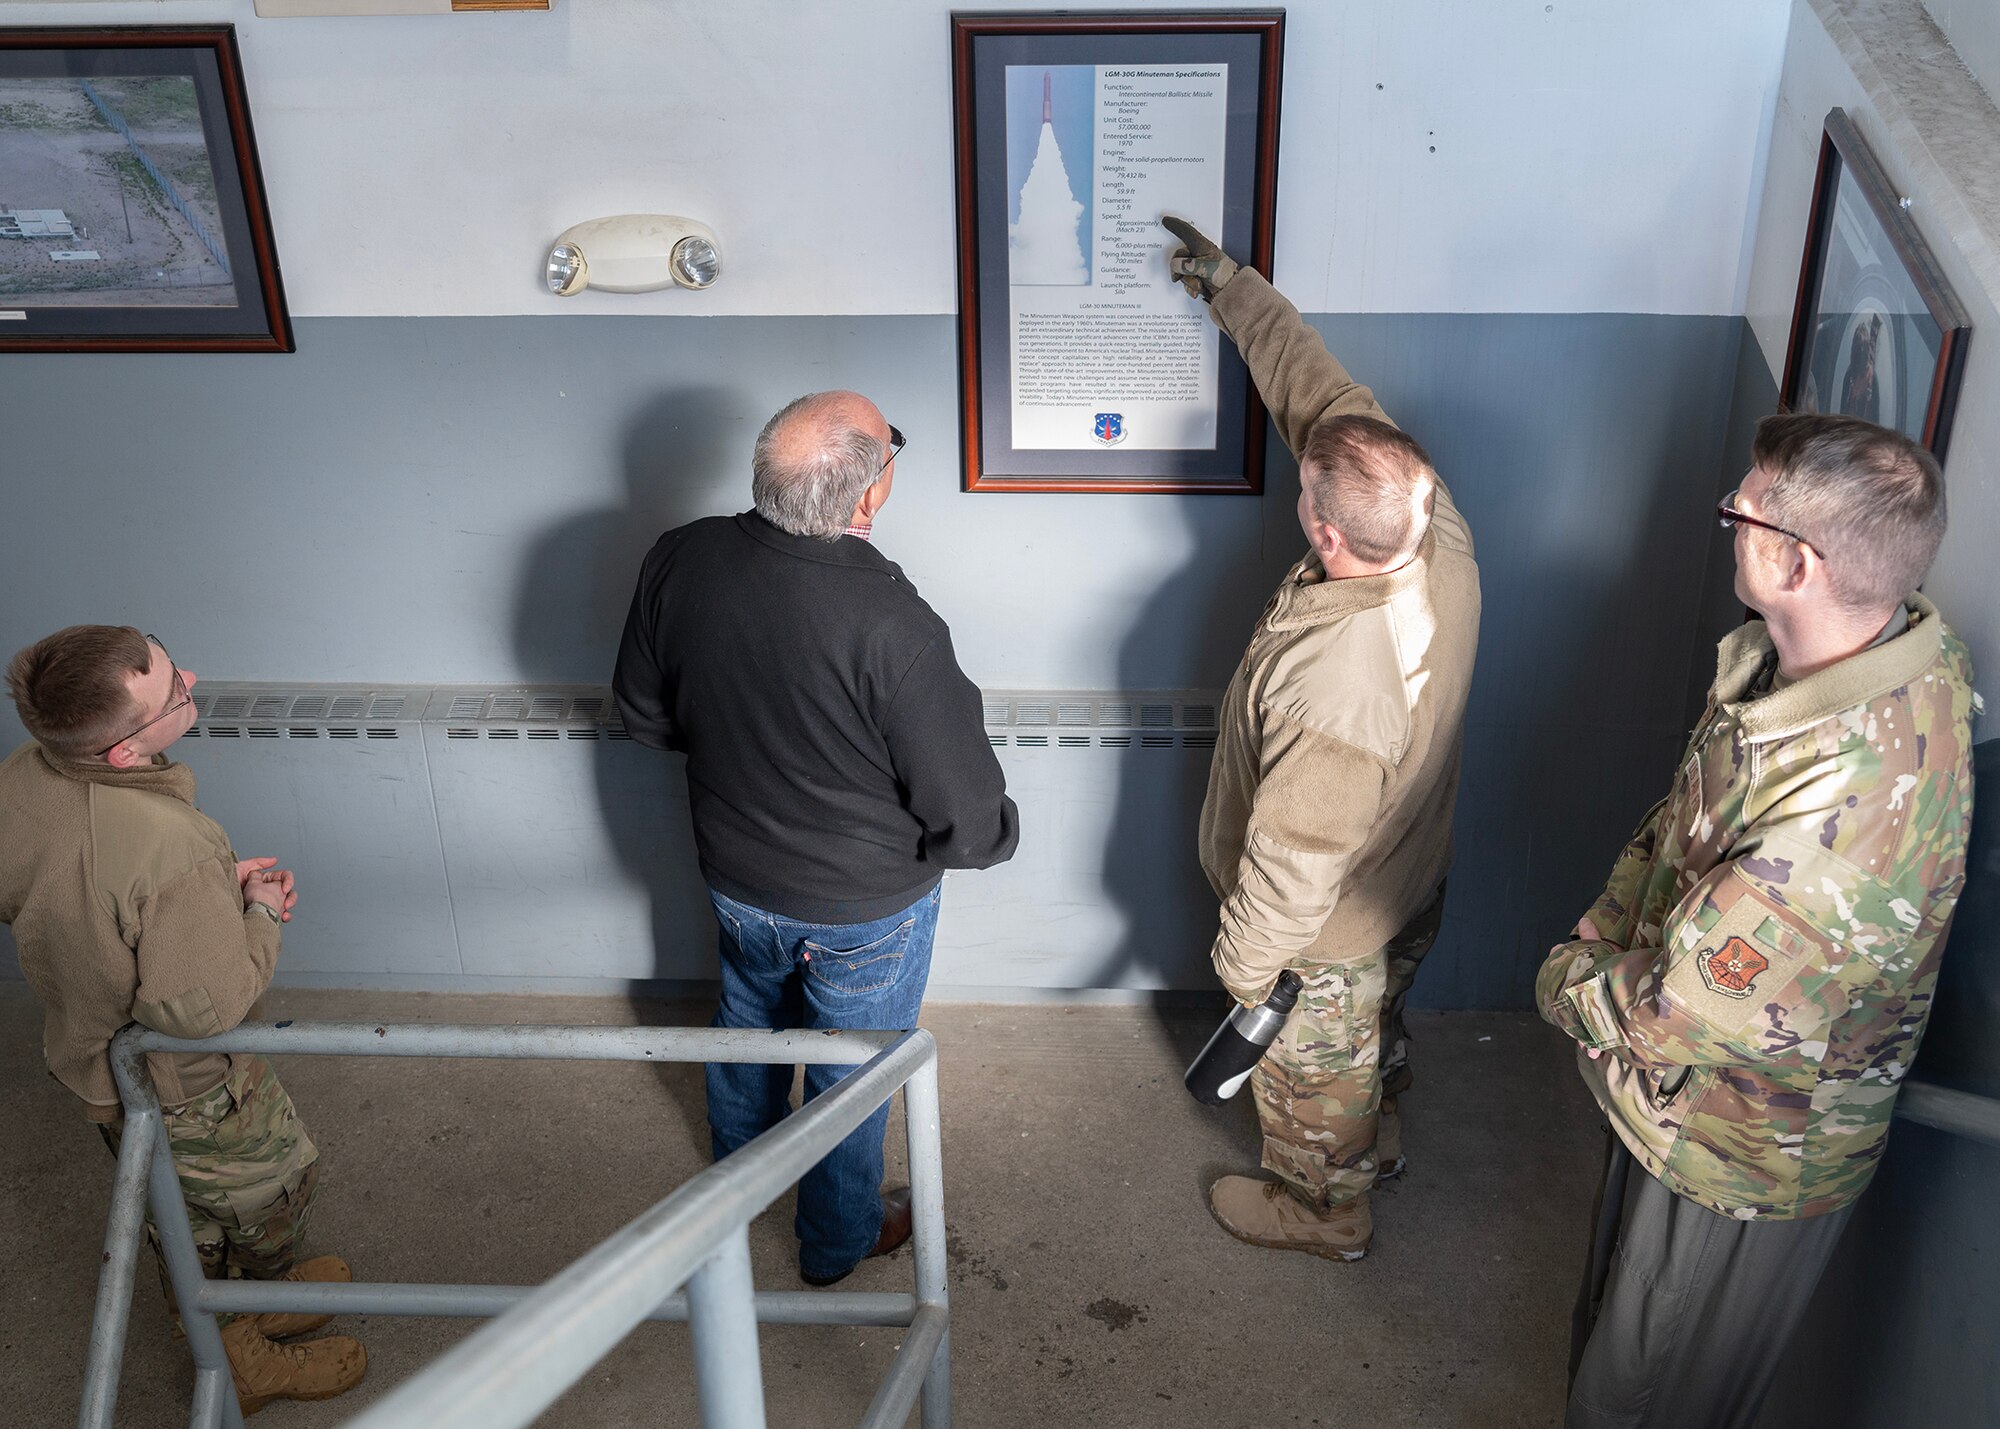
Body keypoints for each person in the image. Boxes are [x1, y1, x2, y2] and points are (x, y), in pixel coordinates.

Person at [1538, 413, 1974, 1428]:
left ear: (1794, 561)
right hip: (1688, 1110)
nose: (1724, 520)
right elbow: (1681, 831)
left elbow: (1664, 1017)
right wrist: (1608, 931)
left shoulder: (1851, 803)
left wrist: (1561, 978)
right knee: (1612, 1345)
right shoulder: (1843, 654)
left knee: (1637, 1397)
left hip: (1736, 1153)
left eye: (1736, 511)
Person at [613, 390, 1019, 1286]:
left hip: (734, 879)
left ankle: (738, 1190)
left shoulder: (678, 558)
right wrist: (992, 830)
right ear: (867, 498)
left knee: (747, 1023)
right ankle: (836, 1240)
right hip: (865, 910)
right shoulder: (896, 626)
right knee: (852, 1071)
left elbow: (645, 716)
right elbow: (972, 826)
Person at [1162, 218, 1483, 1260]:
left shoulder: (1338, 687)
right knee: (1373, 1031)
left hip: (1328, 919)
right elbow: (1324, 396)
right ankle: (1372, 1132)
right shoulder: (1433, 526)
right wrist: (1230, 288)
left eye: (1307, 492)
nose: (1303, 484)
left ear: (1325, 534)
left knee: (1313, 1055)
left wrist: (1249, 970)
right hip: (1409, 869)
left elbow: (1293, 861)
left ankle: (1322, 1208)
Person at [0, 626, 367, 1415]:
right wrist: (257, 913)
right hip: (186, 1084)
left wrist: (179, 907)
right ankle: (237, 1359)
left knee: (178, 1204)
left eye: (170, 663)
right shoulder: (170, 847)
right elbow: (204, 1009)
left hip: (92, 1053)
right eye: (175, 690)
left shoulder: (25, 771)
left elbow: (49, 888)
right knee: (253, 1199)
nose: (191, 677)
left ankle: (244, 1308)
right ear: (125, 754)